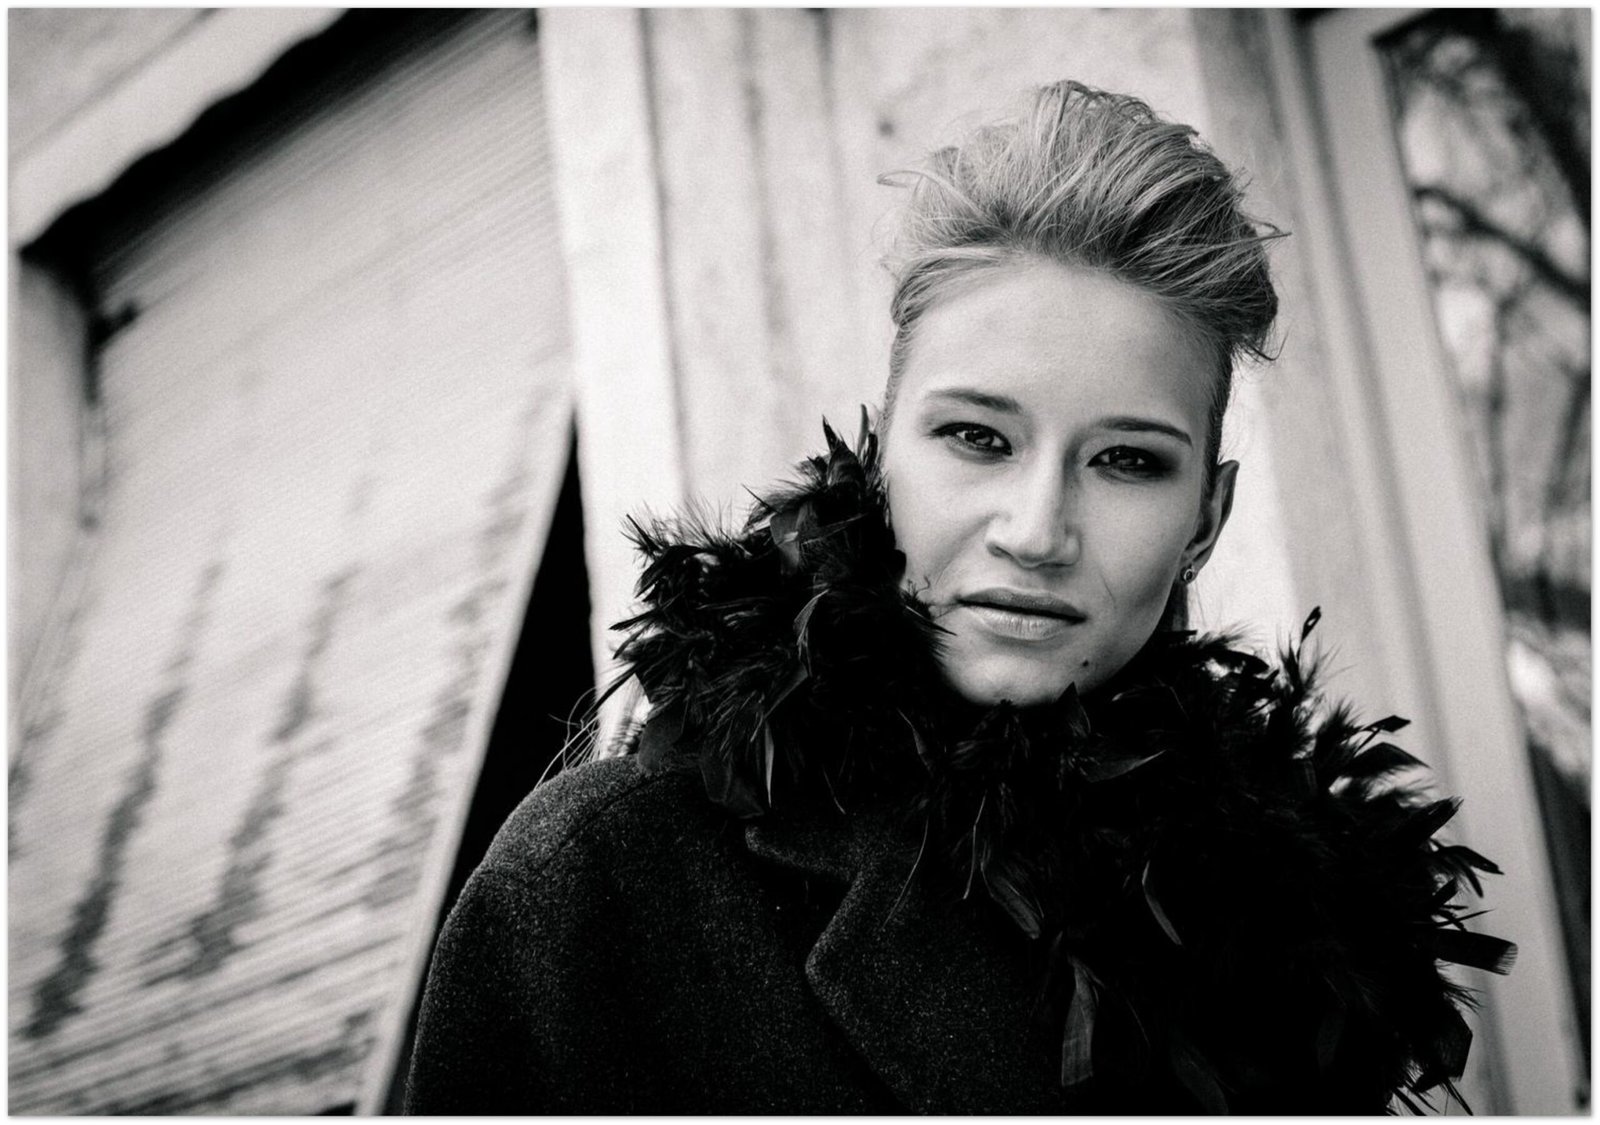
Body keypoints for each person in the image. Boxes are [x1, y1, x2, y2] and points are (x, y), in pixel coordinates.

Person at [403, 81, 1513, 1114]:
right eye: (977, 438)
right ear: (885, 460)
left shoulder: (1292, 938)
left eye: (1126, 461)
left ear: (1206, 521)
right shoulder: (604, 880)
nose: (1035, 531)